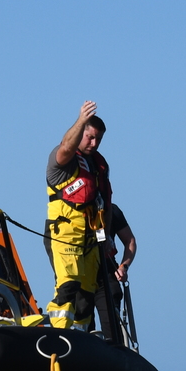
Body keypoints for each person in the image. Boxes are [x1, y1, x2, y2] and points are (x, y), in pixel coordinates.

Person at [45, 101, 134, 331]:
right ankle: (60, 337)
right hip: (65, 233)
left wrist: (104, 241)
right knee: (68, 287)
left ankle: (82, 340)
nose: (93, 144)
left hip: (91, 239)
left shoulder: (98, 166)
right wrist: (81, 119)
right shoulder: (63, 159)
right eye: (89, 137)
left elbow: (101, 205)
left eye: (98, 139)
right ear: (81, 133)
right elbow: (66, 146)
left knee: (86, 296)